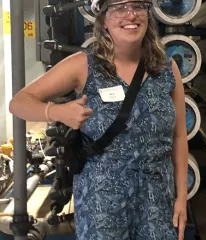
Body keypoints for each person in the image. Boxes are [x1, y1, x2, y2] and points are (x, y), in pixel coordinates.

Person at [9, 0, 188, 239]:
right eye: (119, 7)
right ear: (103, 19)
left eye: (137, 6)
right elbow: (19, 103)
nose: (130, 14)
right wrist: (56, 112)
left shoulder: (167, 69)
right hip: (102, 203)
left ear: (148, 14)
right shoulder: (84, 66)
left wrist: (182, 198)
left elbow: (179, 136)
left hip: (156, 199)